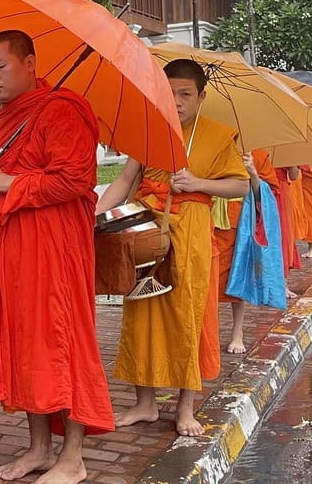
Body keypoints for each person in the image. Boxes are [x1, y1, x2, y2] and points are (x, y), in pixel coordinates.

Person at [0, 30, 114, 484]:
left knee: (62, 340)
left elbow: (75, 180)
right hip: (14, 244)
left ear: (30, 64)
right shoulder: (9, 116)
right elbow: (6, 176)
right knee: (23, 338)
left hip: (56, 246)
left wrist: (6, 183)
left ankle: (74, 457)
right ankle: (39, 448)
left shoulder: (63, 110)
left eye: (0, 66)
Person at [97, 59, 248, 437]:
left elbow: (240, 186)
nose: (177, 102)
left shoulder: (217, 134)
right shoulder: (150, 132)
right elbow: (126, 179)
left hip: (191, 234)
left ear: (201, 96)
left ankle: (185, 408)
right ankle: (145, 403)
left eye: (185, 94)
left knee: (188, 318)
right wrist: (96, 215)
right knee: (142, 312)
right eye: (170, 93)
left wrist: (199, 182)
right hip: (148, 230)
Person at [212, 149, 278, 354]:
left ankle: (237, 332)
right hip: (207, 219)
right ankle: (207, 334)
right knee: (205, 282)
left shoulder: (256, 153)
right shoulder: (209, 146)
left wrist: (253, 173)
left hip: (238, 223)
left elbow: (271, 193)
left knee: (238, 278)